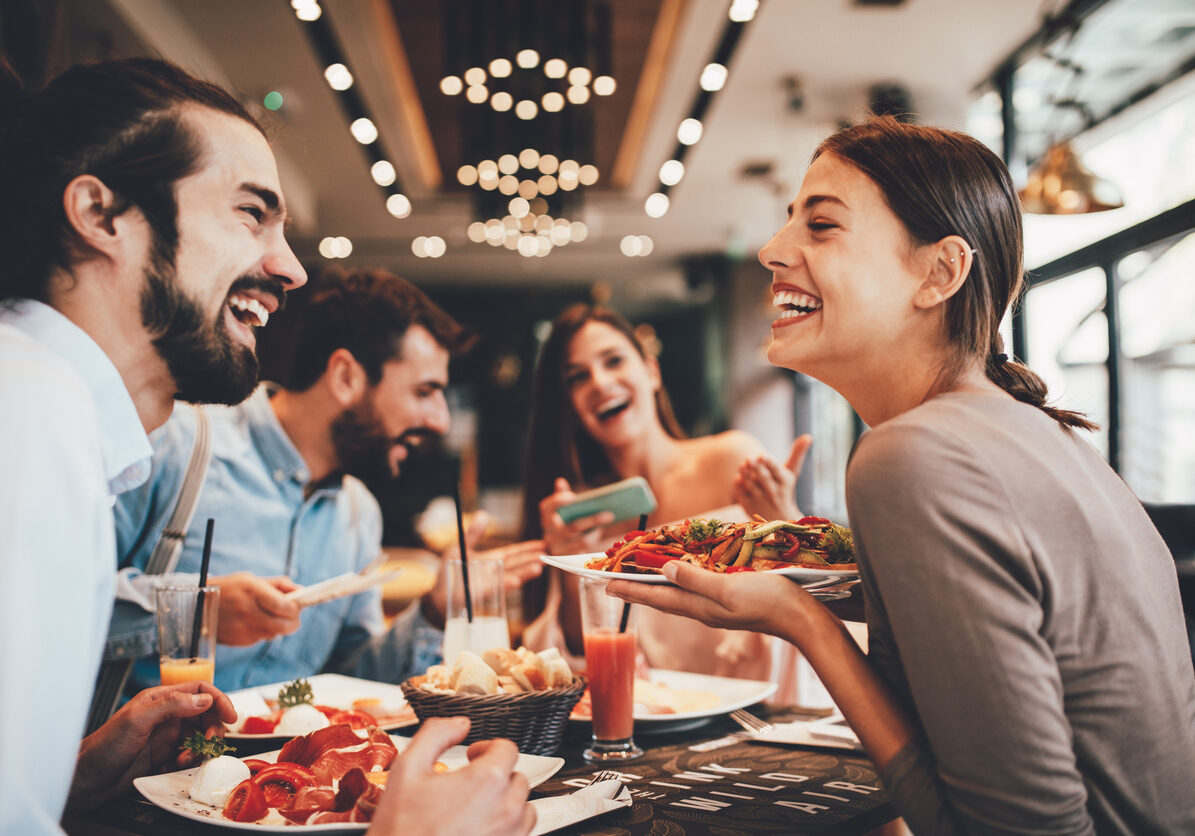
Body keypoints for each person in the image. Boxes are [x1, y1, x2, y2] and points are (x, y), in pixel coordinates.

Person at [608, 116, 1195, 833]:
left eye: (820, 226)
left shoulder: (911, 453)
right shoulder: (1039, 435)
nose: (771, 250)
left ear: (938, 273)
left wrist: (802, 620)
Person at [0, 57, 533, 836]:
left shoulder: (58, 415)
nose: (290, 267)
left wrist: (72, 785)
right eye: (252, 213)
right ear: (101, 214)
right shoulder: (32, 417)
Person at [109, 268, 544, 695]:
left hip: (289, 766)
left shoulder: (359, 513)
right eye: (424, 392)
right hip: (144, 764)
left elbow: (354, 680)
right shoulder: (174, 444)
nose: (440, 419)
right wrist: (197, 612)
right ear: (345, 377)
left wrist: (433, 610)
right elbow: (55, 600)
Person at [519, 304, 808, 680]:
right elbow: (583, 651)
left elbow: (805, 599)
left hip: (757, 703)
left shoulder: (731, 460)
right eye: (577, 377)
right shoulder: (584, 515)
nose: (600, 383)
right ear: (569, 405)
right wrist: (568, 562)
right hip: (651, 721)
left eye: (614, 361)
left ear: (651, 372)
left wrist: (788, 520)